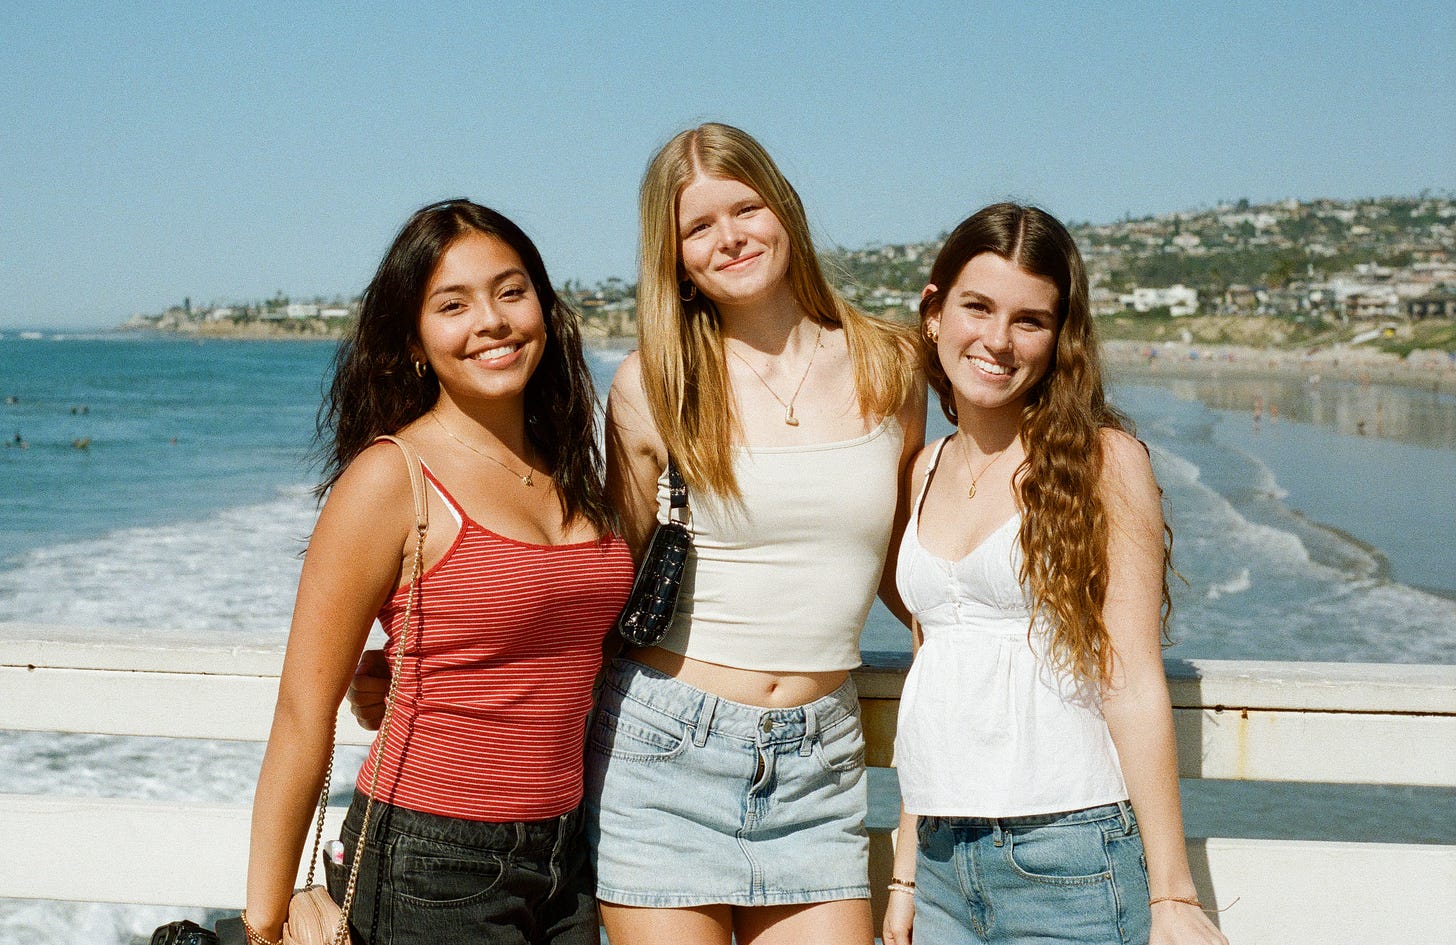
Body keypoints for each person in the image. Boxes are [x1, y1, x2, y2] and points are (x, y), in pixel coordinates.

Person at [242, 199, 634, 945]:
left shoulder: (568, 467)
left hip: (568, 853)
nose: (491, 320)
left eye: (511, 291)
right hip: (429, 859)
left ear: (544, 310)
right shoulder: (393, 479)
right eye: (452, 304)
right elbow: (301, 711)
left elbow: (564, 641)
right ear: (416, 341)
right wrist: (263, 925)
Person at [588, 122, 925, 945]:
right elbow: (610, 579)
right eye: (698, 226)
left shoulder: (891, 365)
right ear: (673, 257)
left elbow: (909, 569)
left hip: (821, 767)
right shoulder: (653, 385)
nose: (729, 237)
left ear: (785, 209)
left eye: (745, 208)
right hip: (664, 756)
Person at [881, 203, 1227, 945]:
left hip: (1070, 855)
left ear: (1058, 337)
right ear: (934, 312)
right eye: (977, 307)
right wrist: (908, 870)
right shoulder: (922, 469)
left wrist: (1172, 895)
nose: (998, 341)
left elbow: (1130, 675)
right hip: (944, 860)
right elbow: (934, 673)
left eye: (1029, 320)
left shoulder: (1104, 463)